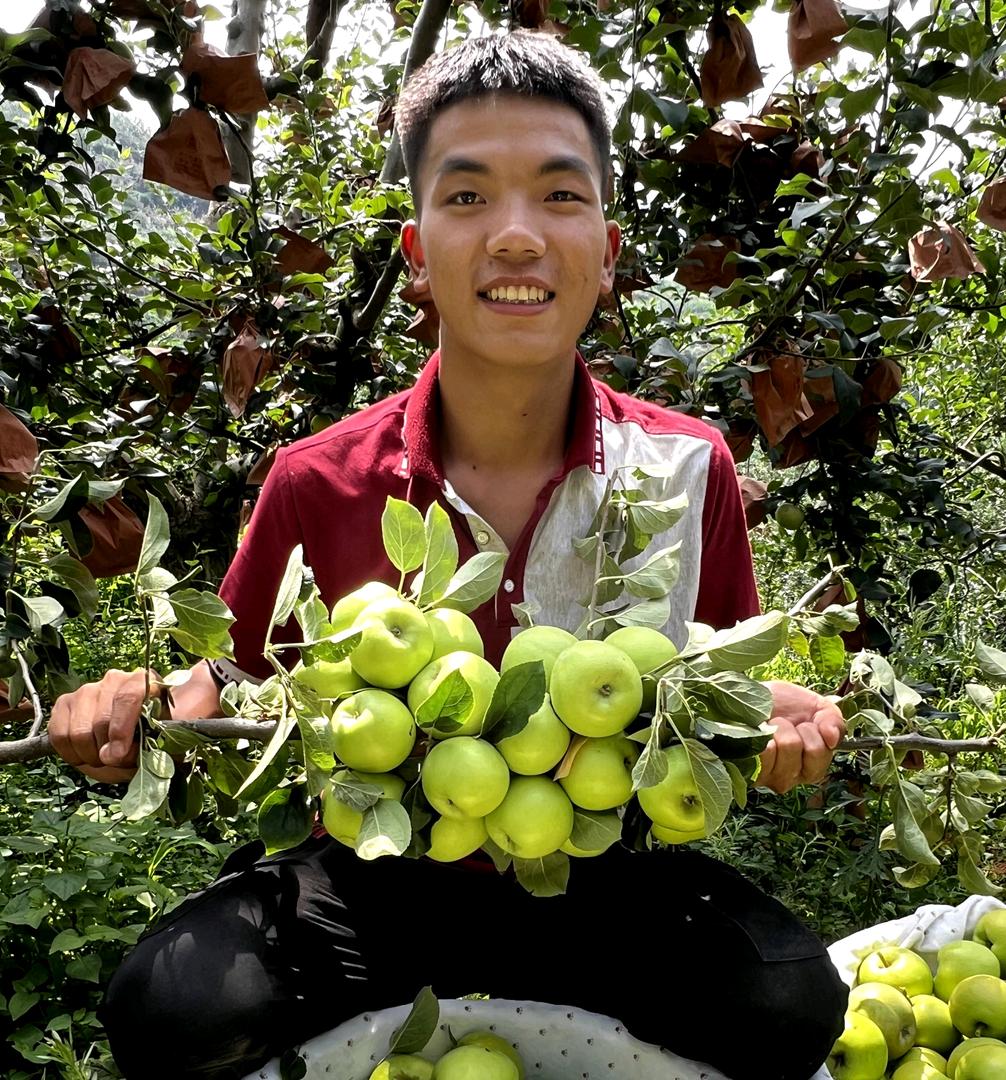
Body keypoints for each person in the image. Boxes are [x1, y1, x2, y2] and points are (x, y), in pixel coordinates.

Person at [48, 31, 848, 1080]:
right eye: (468, 198)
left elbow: (710, 675)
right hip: (378, 888)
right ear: (418, 250)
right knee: (172, 998)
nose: (516, 236)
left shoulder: (684, 469)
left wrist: (775, 715)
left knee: (789, 994)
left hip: (602, 882)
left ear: (607, 249)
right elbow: (237, 683)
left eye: (561, 197)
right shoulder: (317, 478)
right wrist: (134, 711)